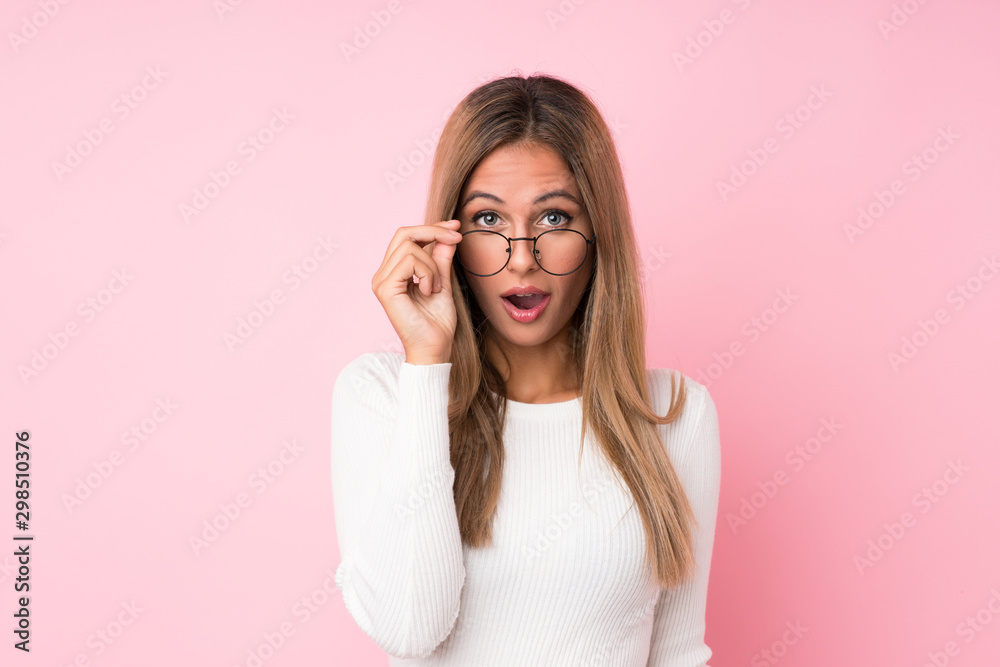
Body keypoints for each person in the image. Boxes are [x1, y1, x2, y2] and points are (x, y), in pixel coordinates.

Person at [331, 73, 722, 666]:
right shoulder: (385, 396)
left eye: (555, 219)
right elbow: (410, 630)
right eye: (489, 221)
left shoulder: (675, 413)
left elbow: (676, 653)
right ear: (449, 238)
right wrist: (427, 366)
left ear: (598, 234)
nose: (521, 261)